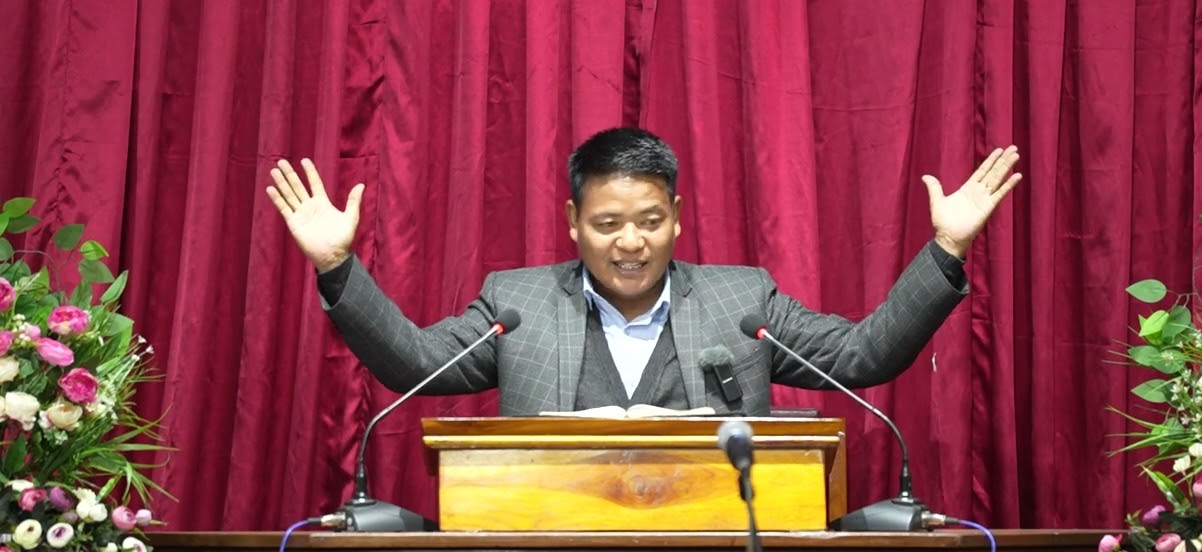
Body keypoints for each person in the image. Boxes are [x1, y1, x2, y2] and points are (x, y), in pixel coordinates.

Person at [266, 127, 1020, 416]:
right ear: (573, 222)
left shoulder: (741, 299)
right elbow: (414, 364)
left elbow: (863, 356)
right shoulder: (516, 304)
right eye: (607, 225)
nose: (631, 243)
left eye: (650, 221)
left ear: (677, 216)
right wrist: (337, 266)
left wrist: (945, 249)